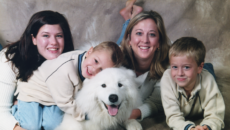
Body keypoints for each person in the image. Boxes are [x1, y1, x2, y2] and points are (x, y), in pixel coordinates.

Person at [14, 41, 123, 130]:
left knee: (52, 125)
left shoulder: (87, 62)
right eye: (95, 61)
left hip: (52, 98)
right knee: (31, 126)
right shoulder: (65, 69)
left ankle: (38, 115)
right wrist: (86, 115)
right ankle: (16, 108)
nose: (94, 69)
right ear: (89, 51)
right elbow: (65, 102)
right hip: (32, 92)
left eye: (102, 70)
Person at [0, 10, 74, 130]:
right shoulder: (9, 59)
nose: (54, 42)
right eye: (46, 35)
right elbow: (1, 112)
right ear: (33, 39)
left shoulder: (71, 62)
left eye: (59, 36)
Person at [161, 37, 225, 130]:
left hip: (202, 76)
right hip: (191, 77)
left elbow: (215, 114)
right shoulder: (167, 79)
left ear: (199, 67)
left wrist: (207, 127)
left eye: (186, 67)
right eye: (174, 67)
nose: (180, 73)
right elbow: (173, 116)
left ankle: (206, 67)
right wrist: (189, 128)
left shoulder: (208, 80)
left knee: (208, 75)